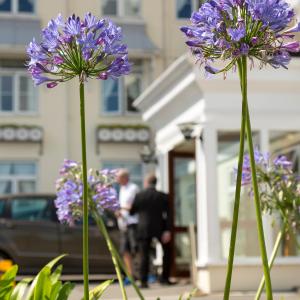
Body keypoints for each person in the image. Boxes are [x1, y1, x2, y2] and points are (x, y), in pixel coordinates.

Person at [130, 174, 172, 288]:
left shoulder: (139, 195)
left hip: (144, 228)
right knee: (166, 253)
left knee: (144, 255)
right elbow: (169, 214)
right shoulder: (163, 196)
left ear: (146, 183)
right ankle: (165, 278)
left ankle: (143, 281)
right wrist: (167, 230)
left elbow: (132, 212)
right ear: (156, 183)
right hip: (160, 228)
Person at [116, 169, 139, 281]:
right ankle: (130, 275)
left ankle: (139, 273)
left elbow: (134, 206)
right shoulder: (121, 189)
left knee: (135, 249)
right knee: (125, 250)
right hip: (123, 224)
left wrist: (121, 208)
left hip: (133, 223)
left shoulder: (133, 188)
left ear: (125, 178)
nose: (116, 180)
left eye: (118, 177)